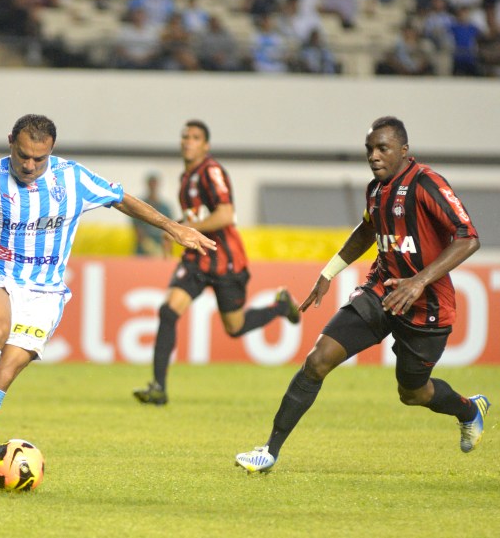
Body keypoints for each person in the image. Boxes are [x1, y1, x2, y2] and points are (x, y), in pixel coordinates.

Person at [0, 114, 216, 483]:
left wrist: (172, 226)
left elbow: (122, 199)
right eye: (23, 156)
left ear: (51, 151)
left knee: (5, 372)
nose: (30, 165)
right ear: (10, 142)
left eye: (39, 158)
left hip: (46, 293)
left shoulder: (72, 178)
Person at [235, 116, 488, 473]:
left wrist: (418, 281)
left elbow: (468, 237)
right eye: (369, 149)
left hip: (425, 306)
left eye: (382, 148)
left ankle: (469, 409)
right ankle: (269, 451)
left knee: (412, 393)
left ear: (404, 150)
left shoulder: (426, 183)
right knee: (318, 360)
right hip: (380, 292)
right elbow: (367, 230)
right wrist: (329, 272)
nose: (374, 156)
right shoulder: (375, 189)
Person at [132, 120, 300, 406]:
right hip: (197, 260)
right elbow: (197, 217)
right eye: (185, 136)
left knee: (234, 327)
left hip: (226, 262)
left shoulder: (211, 171)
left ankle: (281, 307)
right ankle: (158, 388)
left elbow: (225, 215)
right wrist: (175, 228)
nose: (188, 141)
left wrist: (186, 229)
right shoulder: (186, 178)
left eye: (195, 137)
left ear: (206, 145)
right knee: (168, 311)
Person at [133, 173, 173, 256]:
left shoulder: (165, 208)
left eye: (154, 183)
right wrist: (150, 247)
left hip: (161, 250)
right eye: (151, 183)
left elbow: (170, 231)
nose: (153, 186)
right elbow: (137, 230)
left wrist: (165, 251)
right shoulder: (140, 206)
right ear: (147, 185)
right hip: (143, 252)